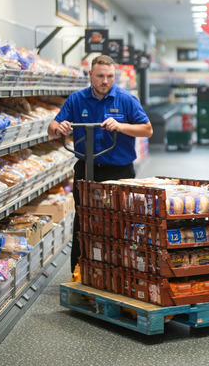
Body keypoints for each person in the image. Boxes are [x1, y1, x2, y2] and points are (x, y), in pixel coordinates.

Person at [48, 54, 153, 275]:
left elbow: (147, 129)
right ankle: (80, 272)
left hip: (119, 171)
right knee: (83, 220)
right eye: (100, 76)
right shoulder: (77, 100)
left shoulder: (126, 99)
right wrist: (60, 128)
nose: (105, 81)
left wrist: (121, 126)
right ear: (91, 76)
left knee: (119, 222)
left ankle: (119, 272)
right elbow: (52, 127)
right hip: (86, 170)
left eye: (109, 76)